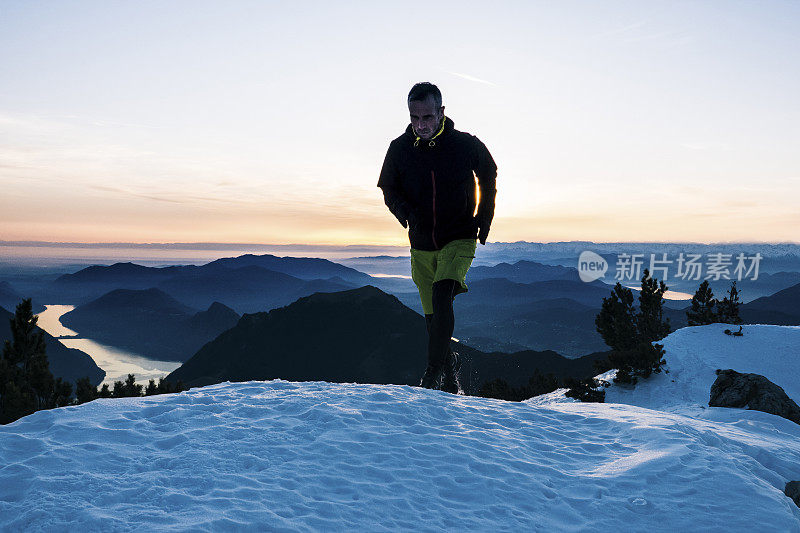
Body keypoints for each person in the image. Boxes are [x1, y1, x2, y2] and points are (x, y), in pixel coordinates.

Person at [377, 82, 498, 393]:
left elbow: (488, 170)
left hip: (459, 236)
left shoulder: (463, 144)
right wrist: (405, 214)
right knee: (433, 318)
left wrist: (483, 218)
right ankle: (449, 363)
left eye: (427, 117)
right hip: (420, 244)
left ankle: (431, 375)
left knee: (444, 294)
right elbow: (387, 187)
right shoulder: (399, 149)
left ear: (442, 112)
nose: (421, 125)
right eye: (415, 118)